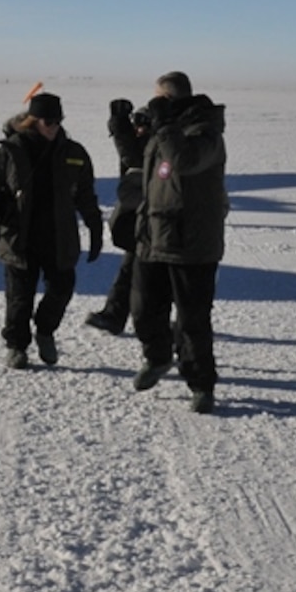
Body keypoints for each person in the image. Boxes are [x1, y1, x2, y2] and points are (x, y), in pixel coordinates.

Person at [0, 91, 103, 369]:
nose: (54, 126)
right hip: (19, 236)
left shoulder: (74, 153)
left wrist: (95, 228)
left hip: (59, 236)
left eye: (58, 121)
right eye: (48, 121)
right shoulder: (9, 152)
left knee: (62, 288)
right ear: (33, 120)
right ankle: (17, 346)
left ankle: (45, 331)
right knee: (19, 298)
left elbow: (86, 195)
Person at [129, 71, 228, 413]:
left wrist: (165, 125)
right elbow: (147, 172)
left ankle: (201, 384)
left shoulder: (206, 131)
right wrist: (125, 130)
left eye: (157, 99)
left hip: (192, 243)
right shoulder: (165, 132)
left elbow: (183, 162)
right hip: (154, 236)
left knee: (192, 320)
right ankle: (157, 357)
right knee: (143, 310)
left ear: (170, 100)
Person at [83, 88, 159, 335]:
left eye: (142, 124)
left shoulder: (157, 146)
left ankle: (183, 322)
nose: (138, 129)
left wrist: (119, 126)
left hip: (154, 220)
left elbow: (133, 159)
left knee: (147, 273)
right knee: (131, 269)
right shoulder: (152, 143)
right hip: (144, 218)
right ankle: (114, 315)